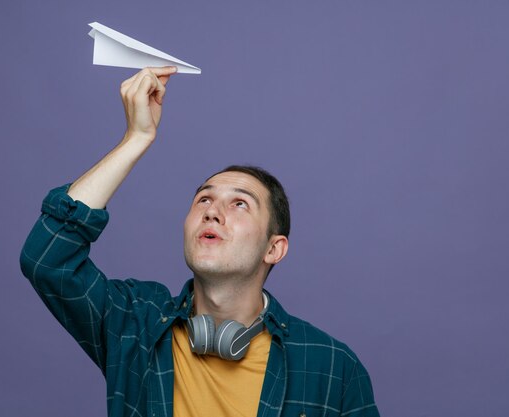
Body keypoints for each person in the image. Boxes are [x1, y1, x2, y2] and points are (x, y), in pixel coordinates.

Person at [20, 67, 379, 417]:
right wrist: (136, 139)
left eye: (239, 204)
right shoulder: (135, 325)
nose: (212, 212)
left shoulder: (332, 366)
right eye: (204, 200)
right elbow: (48, 258)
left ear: (274, 248)